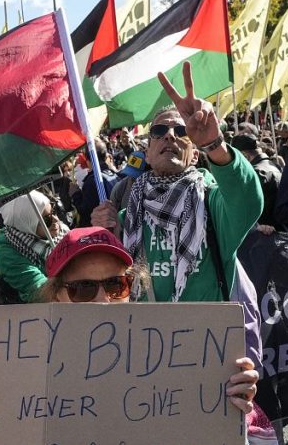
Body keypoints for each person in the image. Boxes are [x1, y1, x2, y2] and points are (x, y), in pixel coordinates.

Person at [38, 226, 275, 445]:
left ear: (130, 287)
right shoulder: (28, 365)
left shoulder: (175, 355)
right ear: (57, 295)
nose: (103, 301)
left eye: (115, 285)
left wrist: (231, 416)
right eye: (83, 289)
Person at [91, 62, 263, 304]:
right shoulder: (125, 218)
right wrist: (104, 236)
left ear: (194, 154)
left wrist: (215, 143)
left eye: (181, 130)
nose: (170, 135)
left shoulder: (213, 207)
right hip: (142, 336)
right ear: (147, 153)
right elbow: (106, 286)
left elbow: (248, 201)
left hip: (207, 338)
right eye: (159, 130)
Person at [0, 190, 67, 302]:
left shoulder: (64, 233)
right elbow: (42, 292)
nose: (56, 220)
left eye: (54, 211)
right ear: (26, 223)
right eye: (47, 219)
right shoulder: (9, 255)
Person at [231, 134, 282, 234]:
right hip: (276, 234)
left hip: (262, 236)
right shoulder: (276, 166)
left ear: (245, 156)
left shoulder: (254, 173)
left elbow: (244, 211)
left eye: (235, 159)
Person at [73, 138, 118, 228]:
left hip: (102, 231)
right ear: (106, 157)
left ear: (88, 160)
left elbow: (85, 212)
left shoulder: (93, 181)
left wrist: (75, 194)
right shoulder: (114, 175)